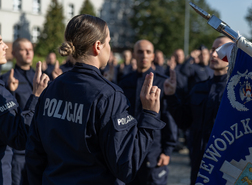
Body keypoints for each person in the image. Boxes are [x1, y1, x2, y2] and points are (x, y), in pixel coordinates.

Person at [25, 14, 166, 185]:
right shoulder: (109, 95)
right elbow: (126, 166)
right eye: (109, 42)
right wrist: (150, 115)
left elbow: (34, 153)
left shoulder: (50, 89)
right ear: (98, 46)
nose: (110, 48)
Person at [164, 36, 233, 185]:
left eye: (221, 50)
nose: (213, 54)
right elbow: (184, 121)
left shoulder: (238, 92)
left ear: (233, 54)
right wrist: (171, 96)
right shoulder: (199, 88)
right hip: (199, 165)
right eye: (213, 50)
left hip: (227, 168)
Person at [118, 40, 177, 185]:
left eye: (148, 52)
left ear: (153, 55)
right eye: (140, 51)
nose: (144, 55)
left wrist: (167, 150)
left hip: (154, 151)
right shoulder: (125, 81)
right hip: (129, 149)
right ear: (133, 55)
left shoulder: (163, 82)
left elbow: (169, 116)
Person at [0, 35, 49, 185]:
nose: (5, 46)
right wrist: (34, 95)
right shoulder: (7, 79)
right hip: (17, 153)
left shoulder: (40, 78)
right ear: (15, 54)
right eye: (23, 49)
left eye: (30, 49)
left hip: (37, 151)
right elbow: (16, 132)